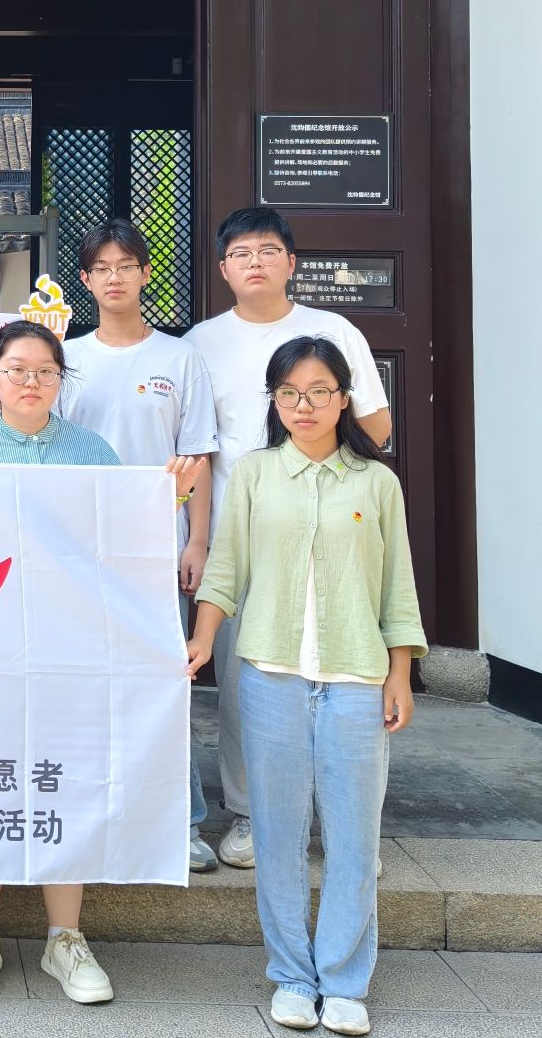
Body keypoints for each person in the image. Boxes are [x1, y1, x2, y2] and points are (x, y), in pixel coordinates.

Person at [184, 335, 424, 1036]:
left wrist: (400, 673)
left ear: (344, 399)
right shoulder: (255, 474)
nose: (304, 405)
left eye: (319, 391)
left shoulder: (376, 483)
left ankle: (345, 982)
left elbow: (398, 588)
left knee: (354, 837)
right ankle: (292, 974)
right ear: (275, 402)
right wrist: (203, 638)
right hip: (270, 676)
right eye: (289, 393)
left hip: (356, 678)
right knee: (278, 835)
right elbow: (225, 569)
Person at [184, 207, 391, 872]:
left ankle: (345, 823)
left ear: (292, 263)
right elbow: (196, 449)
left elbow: (377, 427)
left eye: (268, 251)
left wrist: (311, 457)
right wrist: (200, 540)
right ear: (223, 269)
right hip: (245, 539)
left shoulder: (333, 331)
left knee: (343, 678)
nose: (256, 263)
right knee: (248, 687)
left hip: (331, 534)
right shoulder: (200, 343)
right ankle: (252, 816)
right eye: (241, 253)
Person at [0, 320, 121, 1006]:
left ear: (62, 380)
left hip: (71, 648)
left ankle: (65, 938)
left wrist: (173, 496)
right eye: (16, 370)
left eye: (45, 371)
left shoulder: (94, 453)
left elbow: (124, 543)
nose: (31, 382)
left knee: (64, 781)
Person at [57, 219, 221, 871]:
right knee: (84, 685)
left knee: (164, 685)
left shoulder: (179, 358)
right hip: (80, 552)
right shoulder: (65, 360)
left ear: (146, 274)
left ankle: (182, 822)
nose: (115, 278)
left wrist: (198, 541)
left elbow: (197, 456)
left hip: (158, 548)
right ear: (85, 279)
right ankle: (89, 813)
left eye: (126, 265)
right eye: (102, 268)